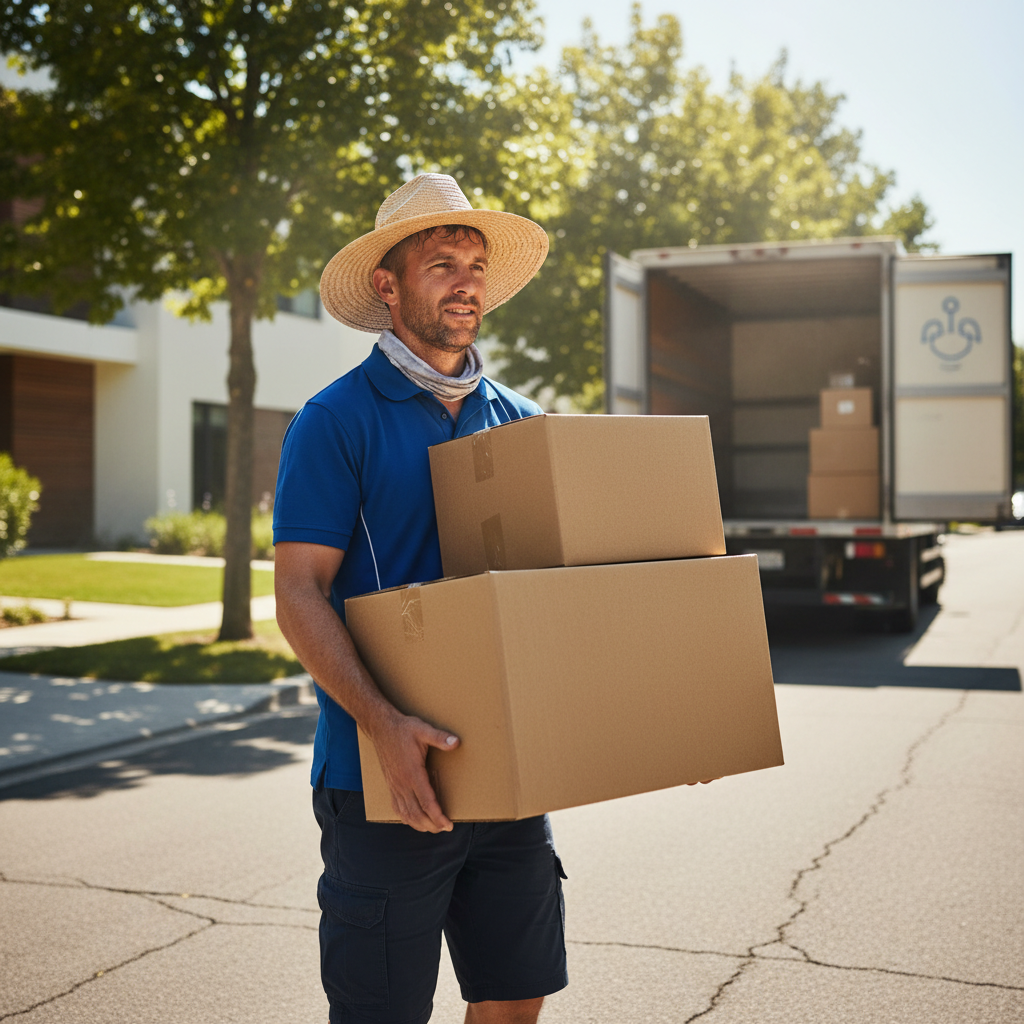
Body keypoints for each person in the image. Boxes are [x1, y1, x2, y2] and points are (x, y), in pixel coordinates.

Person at [273, 173, 566, 1024]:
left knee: (515, 1001)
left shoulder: (519, 421)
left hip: (506, 778)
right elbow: (299, 591)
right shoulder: (335, 420)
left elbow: (552, 599)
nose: (466, 280)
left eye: (475, 263)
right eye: (442, 263)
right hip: (381, 779)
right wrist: (381, 725)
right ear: (388, 285)